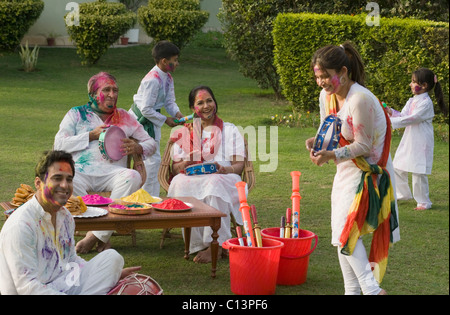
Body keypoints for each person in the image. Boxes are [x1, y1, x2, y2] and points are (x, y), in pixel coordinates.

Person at [305, 42, 400, 295]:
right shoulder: (326, 96)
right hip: (345, 171)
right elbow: (331, 130)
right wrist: (317, 143)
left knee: (345, 231)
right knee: (340, 232)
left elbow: (365, 145)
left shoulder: (360, 99)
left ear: (344, 72)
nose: (321, 82)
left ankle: (371, 289)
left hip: (367, 173)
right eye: (317, 76)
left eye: (326, 76)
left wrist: (331, 154)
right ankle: (353, 291)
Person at [0, 150, 140, 295]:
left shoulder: (65, 216)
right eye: (57, 178)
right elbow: (27, 287)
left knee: (112, 258)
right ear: (38, 183)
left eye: (69, 179)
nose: (65, 185)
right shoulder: (21, 225)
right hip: (33, 291)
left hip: (62, 284)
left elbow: (71, 260)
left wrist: (107, 274)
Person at [54, 72, 157, 253]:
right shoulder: (76, 114)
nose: (112, 94)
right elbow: (59, 144)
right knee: (65, 181)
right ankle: (102, 236)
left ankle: (93, 237)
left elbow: (151, 143)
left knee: (131, 176)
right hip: (80, 172)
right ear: (93, 94)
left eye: (115, 90)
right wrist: (91, 135)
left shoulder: (124, 116)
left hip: (112, 173)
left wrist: (137, 147)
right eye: (106, 90)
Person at [167, 86, 246, 263]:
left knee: (214, 183)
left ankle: (216, 245)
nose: (206, 106)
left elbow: (239, 165)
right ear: (192, 108)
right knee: (180, 182)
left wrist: (226, 169)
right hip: (194, 176)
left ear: (215, 102)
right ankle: (196, 243)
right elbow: (175, 168)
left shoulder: (229, 129)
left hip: (225, 175)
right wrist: (185, 162)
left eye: (209, 100)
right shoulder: (186, 132)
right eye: (200, 102)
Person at [129, 40, 185, 197]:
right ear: (164, 61)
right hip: (140, 121)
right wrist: (165, 119)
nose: (177, 63)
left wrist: (177, 114)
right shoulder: (152, 80)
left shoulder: (167, 77)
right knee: (151, 162)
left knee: (153, 162)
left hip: (151, 120)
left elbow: (169, 101)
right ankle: (146, 199)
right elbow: (146, 108)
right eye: (174, 60)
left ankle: (150, 197)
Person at [387, 68, 446, 210]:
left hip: (421, 140)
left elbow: (413, 118)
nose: (411, 84)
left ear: (424, 85)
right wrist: (391, 112)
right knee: (398, 165)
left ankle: (423, 201)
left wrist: (389, 122)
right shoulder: (412, 100)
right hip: (409, 138)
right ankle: (403, 193)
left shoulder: (426, 103)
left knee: (418, 170)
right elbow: (403, 116)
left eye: (413, 82)